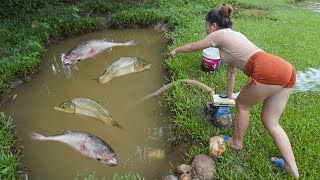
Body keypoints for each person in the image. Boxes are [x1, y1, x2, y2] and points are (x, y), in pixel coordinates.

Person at [169, 3, 299, 179]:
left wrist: (176, 50)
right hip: (286, 69)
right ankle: (291, 168)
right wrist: (229, 96)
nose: (206, 30)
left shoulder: (219, 35)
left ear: (213, 26)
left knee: (243, 105)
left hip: (266, 68)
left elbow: (193, 46)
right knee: (271, 122)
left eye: (206, 25)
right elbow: (231, 73)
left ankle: (237, 143)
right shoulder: (232, 38)